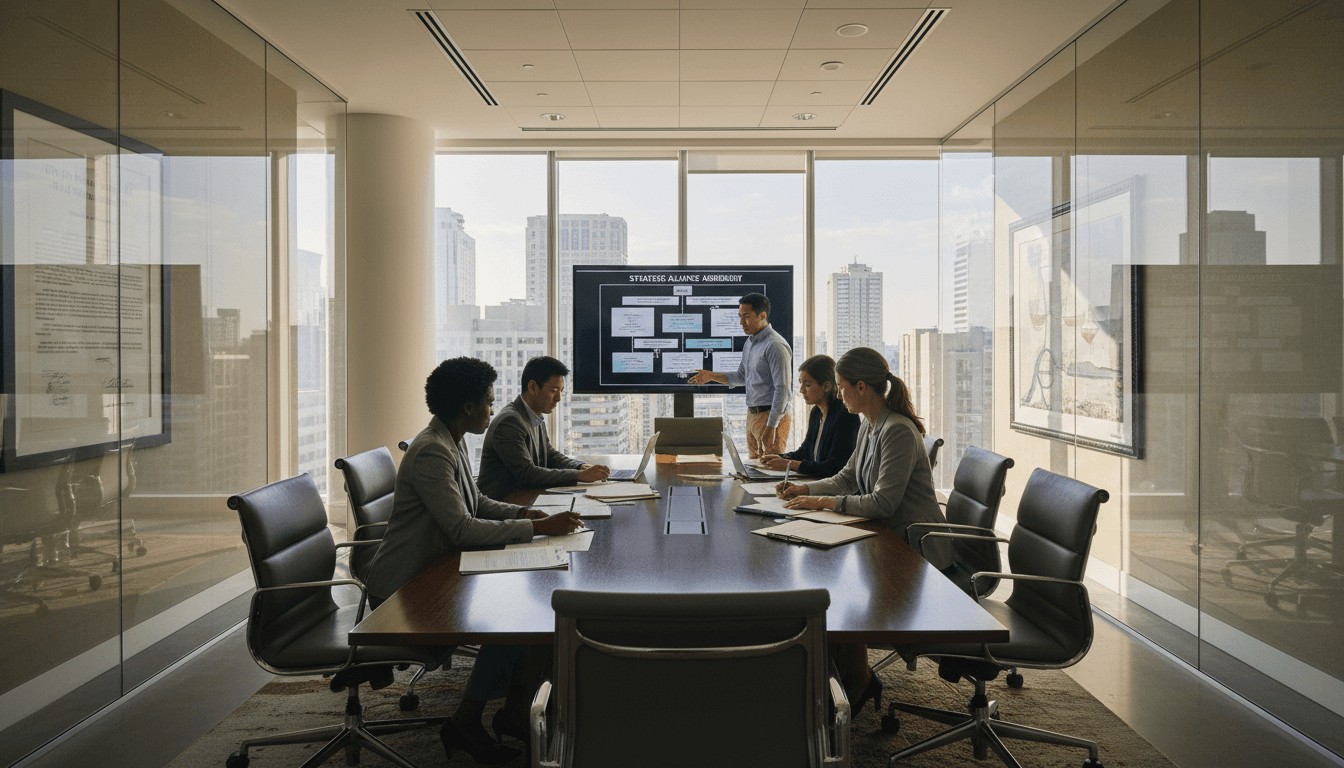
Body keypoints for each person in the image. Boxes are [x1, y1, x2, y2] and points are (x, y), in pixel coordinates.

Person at [364, 357, 582, 764]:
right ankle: (468, 721)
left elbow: (476, 501)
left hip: (437, 567)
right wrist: (537, 529)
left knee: (521, 605)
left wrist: (523, 515)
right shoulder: (432, 451)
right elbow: (463, 528)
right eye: (487, 399)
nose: (493, 405)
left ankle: (514, 714)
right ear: (468, 407)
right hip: (406, 588)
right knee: (511, 615)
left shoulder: (450, 439)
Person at [774, 346, 951, 716]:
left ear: (860, 386)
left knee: (835, 592)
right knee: (827, 580)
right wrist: (804, 490)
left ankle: (855, 680)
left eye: (840, 387)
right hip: (885, 536)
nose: (837, 394)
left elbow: (883, 503)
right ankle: (847, 676)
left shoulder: (897, 431)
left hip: (915, 549)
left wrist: (821, 504)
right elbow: (848, 478)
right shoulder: (872, 425)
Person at [477, 356, 610, 501]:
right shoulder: (510, 421)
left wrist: (580, 467)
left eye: (561, 391)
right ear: (533, 387)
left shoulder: (535, 414)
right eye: (554, 391)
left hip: (524, 497)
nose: (559, 398)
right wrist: (579, 476)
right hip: (502, 506)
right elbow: (527, 474)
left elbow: (549, 454)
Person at [686, 292, 792, 458]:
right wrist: (711, 376)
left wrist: (772, 427)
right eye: (740, 316)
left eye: (746, 316)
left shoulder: (775, 345)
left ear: (762, 315)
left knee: (770, 469)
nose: (741, 322)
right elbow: (742, 376)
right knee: (755, 468)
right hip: (752, 415)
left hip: (771, 416)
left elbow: (783, 389)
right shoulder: (750, 342)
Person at [759, 354, 860, 480]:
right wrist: (781, 458)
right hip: (818, 482)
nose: (801, 390)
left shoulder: (846, 416)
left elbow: (834, 468)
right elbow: (805, 452)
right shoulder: (816, 412)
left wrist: (789, 464)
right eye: (801, 383)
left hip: (834, 489)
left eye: (807, 385)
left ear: (826, 387)